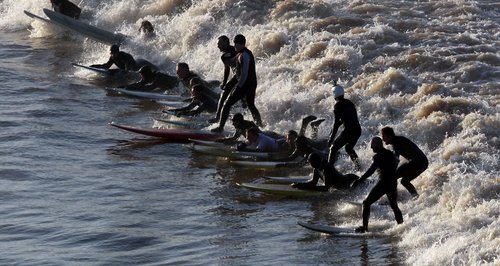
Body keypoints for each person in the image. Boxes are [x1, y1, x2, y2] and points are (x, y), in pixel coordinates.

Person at [351, 137, 403, 233]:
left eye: (372, 145)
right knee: (394, 207)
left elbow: (371, 171)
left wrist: (359, 180)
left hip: (383, 183)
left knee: (366, 203)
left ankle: (364, 227)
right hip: (392, 183)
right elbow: (396, 162)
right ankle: (401, 226)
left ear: (379, 145)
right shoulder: (390, 154)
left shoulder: (378, 157)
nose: (371, 147)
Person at [211, 34, 262, 132]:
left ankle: (220, 128)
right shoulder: (242, 52)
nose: (233, 46)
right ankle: (260, 125)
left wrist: (239, 87)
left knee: (227, 104)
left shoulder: (244, 55)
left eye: (235, 44)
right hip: (251, 83)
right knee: (251, 105)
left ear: (240, 44)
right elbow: (232, 61)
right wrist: (226, 60)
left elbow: (244, 74)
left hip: (245, 84)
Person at [381, 126, 428, 199]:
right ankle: (416, 197)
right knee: (404, 181)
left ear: (389, 136)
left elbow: (396, 160)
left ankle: (391, 198)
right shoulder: (398, 140)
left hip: (418, 162)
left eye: (384, 136)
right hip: (423, 163)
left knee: (393, 176)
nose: (383, 139)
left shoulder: (397, 142)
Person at [327, 81, 362, 170]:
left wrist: (331, 138)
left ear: (334, 94)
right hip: (357, 130)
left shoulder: (337, 105)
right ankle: (359, 168)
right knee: (349, 148)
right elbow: (347, 118)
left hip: (349, 131)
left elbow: (336, 123)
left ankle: (328, 170)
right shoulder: (349, 102)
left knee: (333, 148)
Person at [209, 35, 239, 124]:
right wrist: (225, 82)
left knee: (223, 97)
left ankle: (218, 118)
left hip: (239, 76)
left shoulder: (226, 55)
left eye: (219, 44)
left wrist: (225, 83)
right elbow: (227, 68)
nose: (218, 46)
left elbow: (227, 69)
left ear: (226, 43)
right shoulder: (234, 50)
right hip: (245, 76)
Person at [291, 152, 358, 191]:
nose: (310, 164)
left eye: (310, 162)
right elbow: (313, 182)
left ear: (316, 161)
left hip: (352, 180)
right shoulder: (316, 169)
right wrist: (299, 184)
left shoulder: (326, 168)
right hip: (347, 179)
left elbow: (327, 188)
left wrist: (307, 188)